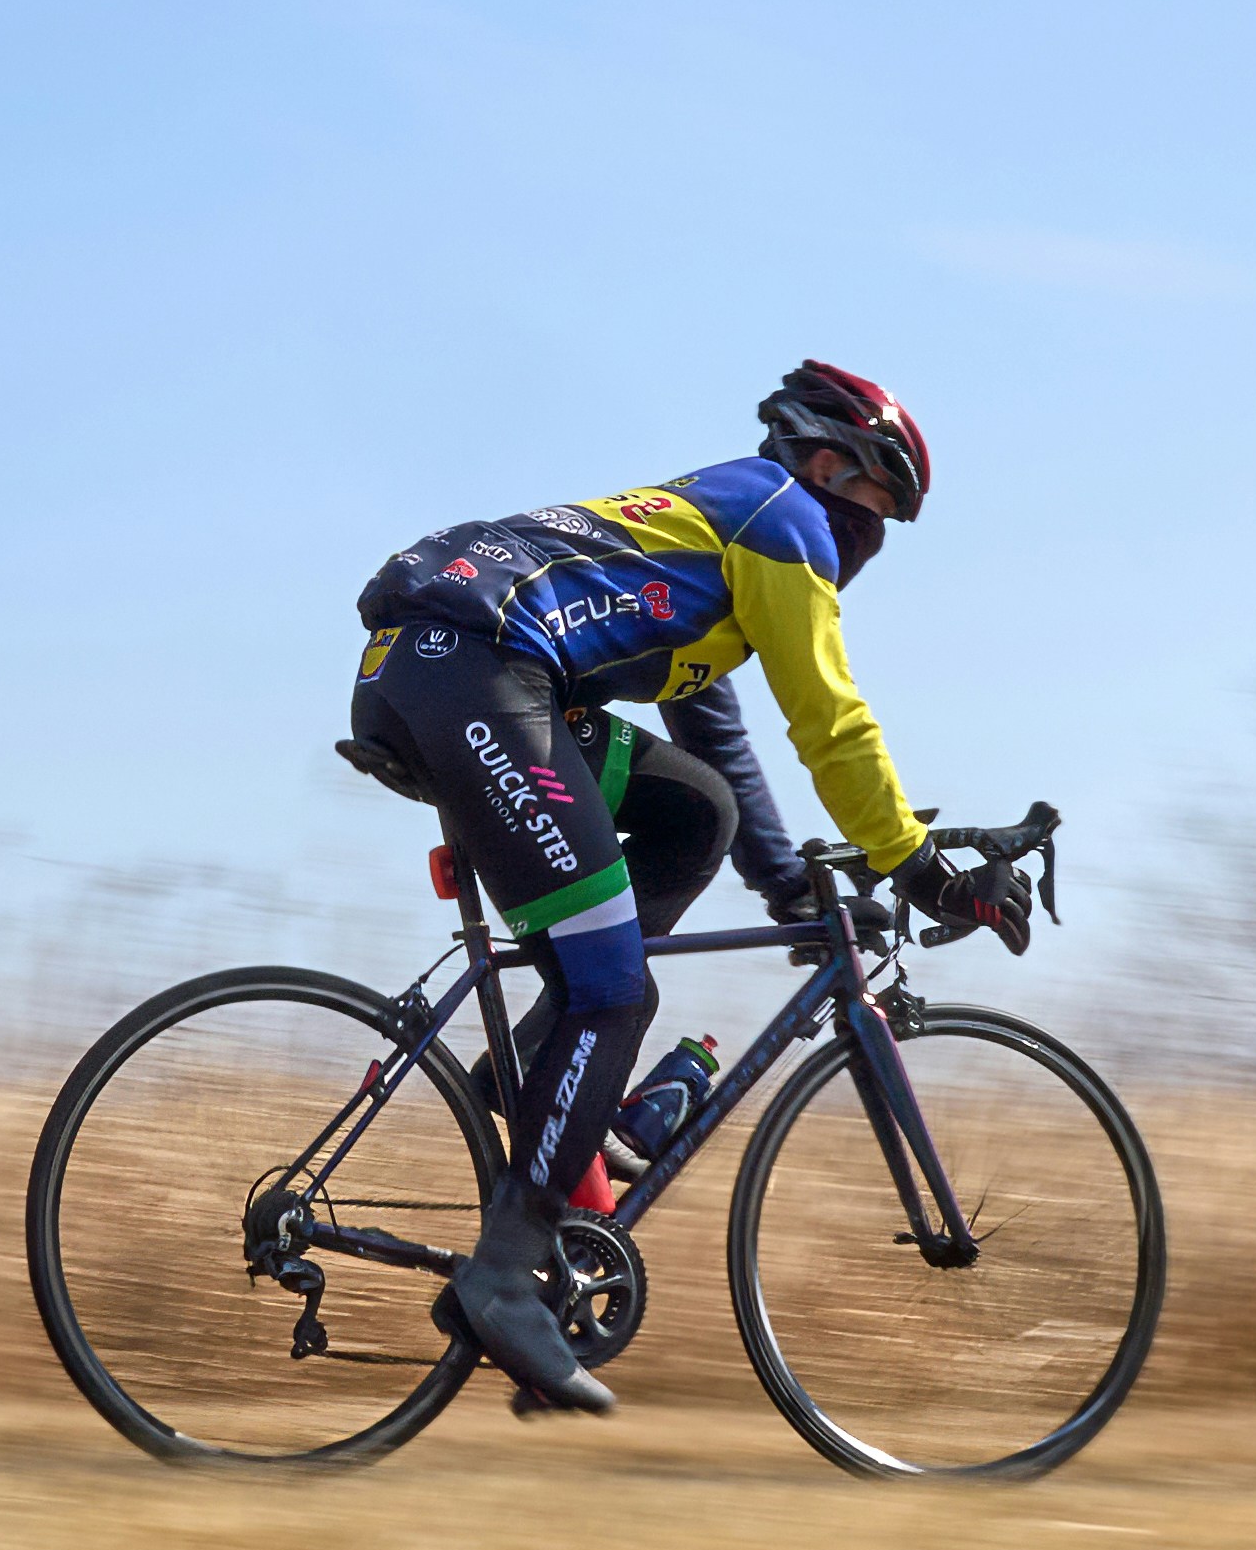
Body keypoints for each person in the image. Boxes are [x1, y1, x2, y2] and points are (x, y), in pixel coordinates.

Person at [343, 360, 1037, 1414]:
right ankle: (500, 1276)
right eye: (879, 504)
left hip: (454, 668)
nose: (874, 539)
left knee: (688, 812)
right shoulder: (782, 518)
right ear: (824, 463)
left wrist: (794, 895)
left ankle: (535, 1083)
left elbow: (728, 767)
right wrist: (919, 868)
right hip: (469, 672)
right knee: (614, 990)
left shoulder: (710, 546)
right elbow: (831, 721)